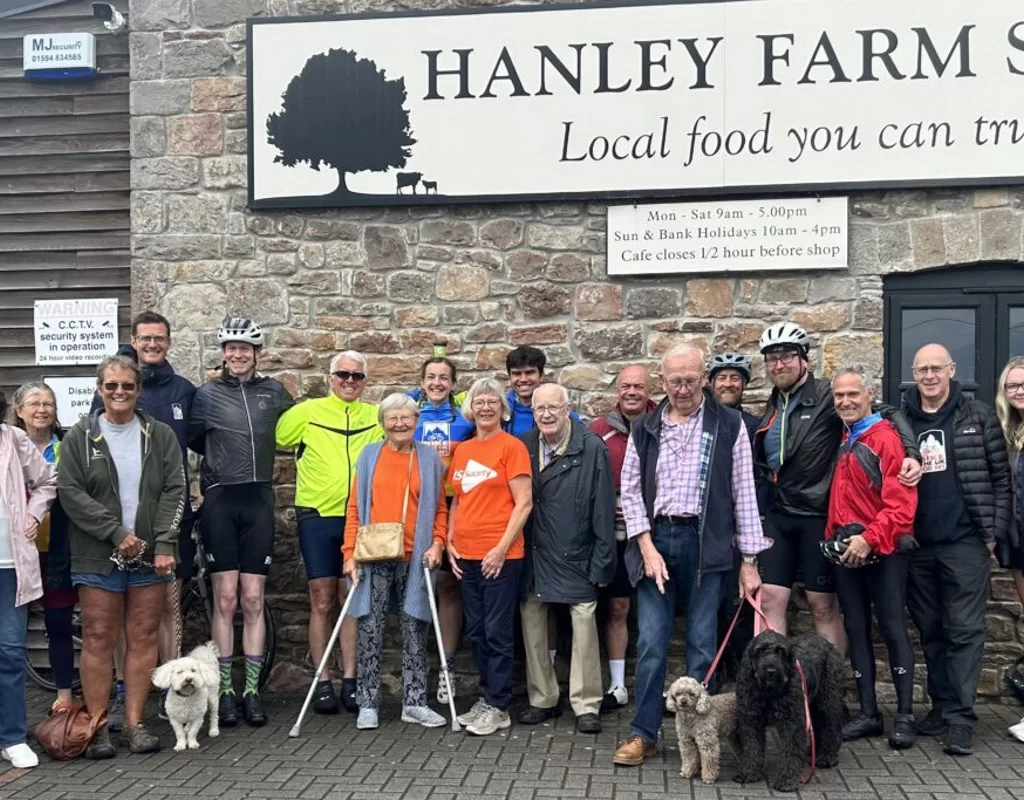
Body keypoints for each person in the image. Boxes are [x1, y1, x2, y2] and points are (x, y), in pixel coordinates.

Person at [612, 344, 771, 767]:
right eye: (674, 381)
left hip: (708, 545)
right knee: (651, 643)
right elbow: (630, 491)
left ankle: (703, 738)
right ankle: (643, 733)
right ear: (662, 381)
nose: (682, 389)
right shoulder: (646, 427)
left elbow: (744, 492)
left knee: (703, 644)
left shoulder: (729, 424)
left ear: (703, 379)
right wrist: (645, 547)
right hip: (656, 541)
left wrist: (750, 561)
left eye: (689, 380)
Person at [753, 322, 921, 646]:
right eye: (772, 358)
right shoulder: (774, 404)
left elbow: (887, 412)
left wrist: (912, 453)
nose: (779, 364)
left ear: (804, 360)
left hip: (816, 515)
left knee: (822, 605)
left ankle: (831, 678)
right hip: (778, 515)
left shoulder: (827, 396)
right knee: (770, 599)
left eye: (787, 356)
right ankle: (770, 677)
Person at [59, 354, 184, 758]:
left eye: (128, 385)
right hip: (97, 554)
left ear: (138, 390)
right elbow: (70, 492)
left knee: (144, 636)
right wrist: (114, 533)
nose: (119, 392)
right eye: (111, 385)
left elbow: (175, 488)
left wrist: (164, 543)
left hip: (149, 556)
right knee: (99, 637)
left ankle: (134, 724)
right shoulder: (80, 436)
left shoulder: (160, 434)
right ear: (99, 389)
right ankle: (98, 727)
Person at [902, 343, 1011, 756]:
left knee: (965, 631)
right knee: (931, 630)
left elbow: (1001, 480)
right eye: (922, 370)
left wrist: (992, 532)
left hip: (965, 543)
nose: (929, 376)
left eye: (936, 368)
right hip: (918, 545)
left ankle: (962, 719)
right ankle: (941, 707)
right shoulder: (903, 419)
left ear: (951, 370)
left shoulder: (977, 416)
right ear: (914, 374)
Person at [189, 318, 294, 728]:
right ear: (223, 354)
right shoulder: (206, 395)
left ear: (257, 353)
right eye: (230, 348)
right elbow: (193, 438)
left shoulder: (275, 392)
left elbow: (297, 430)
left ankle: (251, 690)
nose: (237, 355)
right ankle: (225, 692)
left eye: (244, 349)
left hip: (259, 500)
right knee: (225, 599)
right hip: (221, 500)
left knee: (252, 599)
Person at [92, 312, 198, 718]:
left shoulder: (184, 390)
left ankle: (175, 691)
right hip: (120, 521)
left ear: (169, 342)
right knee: (122, 610)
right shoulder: (116, 386)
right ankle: (124, 687)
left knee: (169, 606)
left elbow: (204, 441)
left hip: (170, 517)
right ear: (134, 341)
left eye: (159, 338)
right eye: (145, 338)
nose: (152, 344)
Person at [276, 350, 381, 715]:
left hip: (360, 518)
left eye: (357, 376)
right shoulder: (306, 412)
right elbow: (272, 436)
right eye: (343, 375)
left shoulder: (375, 416)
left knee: (350, 598)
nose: (350, 381)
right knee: (321, 599)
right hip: (317, 515)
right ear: (330, 378)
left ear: (365, 382)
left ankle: (350, 680)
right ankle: (322, 680)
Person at [824, 367, 918, 749]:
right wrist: (832, 538)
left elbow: (902, 507)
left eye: (853, 394)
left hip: (884, 550)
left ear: (869, 394)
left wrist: (869, 538)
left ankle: (906, 716)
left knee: (893, 628)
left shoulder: (885, 438)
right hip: (848, 552)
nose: (846, 401)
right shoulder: (846, 436)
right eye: (839, 396)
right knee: (857, 629)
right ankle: (868, 714)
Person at [342, 394, 449, 730]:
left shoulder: (430, 458)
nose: (400, 424)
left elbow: (440, 508)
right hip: (373, 553)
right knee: (370, 627)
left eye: (406, 417)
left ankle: (414, 702)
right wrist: (349, 553)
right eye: (393, 418)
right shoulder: (369, 455)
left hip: (416, 555)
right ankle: (367, 702)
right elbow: (354, 507)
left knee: (415, 626)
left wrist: (438, 543)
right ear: (383, 423)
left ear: (416, 421)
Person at [518, 383, 616, 734]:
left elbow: (603, 507)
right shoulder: (524, 444)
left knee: (584, 623)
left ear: (568, 409)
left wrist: (603, 560)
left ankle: (587, 703)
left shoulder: (591, 447)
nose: (546, 415)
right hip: (534, 552)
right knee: (532, 619)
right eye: (539, 409)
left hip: (577, 551)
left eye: (553, 408)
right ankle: (542, 698)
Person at [447, 378, 532, 737]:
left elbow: (524, 503)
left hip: (501, 557)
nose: (485, 408)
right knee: (477, 632)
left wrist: (500, 549)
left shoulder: (512, 447)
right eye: (479, 402)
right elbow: (458, 498)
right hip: (465, 554)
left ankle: (499, 706)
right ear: (470, 409)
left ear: (502, 409)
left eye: (492, 402)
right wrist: (450, 537)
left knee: (497, 632)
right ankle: (487, 698)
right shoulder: (463, 450)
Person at [407, 355, 475, 704]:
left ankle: (447, 669)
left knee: (448, 586)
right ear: (421, 382)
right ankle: (415, 669)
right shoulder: (410, 413)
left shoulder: (465, 418)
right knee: (417, 587)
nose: (436, 383)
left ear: (453, 384)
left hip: (455, 506)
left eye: (443, 378)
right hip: (417, 507)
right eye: (430, 377)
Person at [588, 365, 655, 713]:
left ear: (649, 390)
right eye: (626, 386)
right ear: (617, 391)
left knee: (656, 610)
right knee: (617, 607)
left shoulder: (664, 423)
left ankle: (657, 684)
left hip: (656, 532)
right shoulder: (598, 430)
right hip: (612, 533)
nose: (632, 392)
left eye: (638, 386)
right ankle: (617, 685)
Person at [9, 382, 76, 714]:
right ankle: (13, 704)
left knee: (59, 623)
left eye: (48, 403)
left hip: (57, 549)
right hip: (14, 552)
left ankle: (64, 697)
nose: (41, 409)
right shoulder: (8, 447)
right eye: (34, 403)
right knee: (12, 631)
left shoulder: (67, 445)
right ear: (19, 410)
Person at [0, 390, 57, 769]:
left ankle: (12, 737)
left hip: (9, 564)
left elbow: (48, 480)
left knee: (10, 651)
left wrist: (34, 513)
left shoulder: (14, 439)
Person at [995, 357, 1024, 742]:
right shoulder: (1009, 432)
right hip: (1019, 540)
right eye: (1012, 385)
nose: (1018, 391)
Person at [708, 352, 759, 441]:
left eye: (735, 378)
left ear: (744, 384)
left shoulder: (754, 427)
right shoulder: (700, 422)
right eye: (721, 378)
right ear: (713, 384)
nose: (728, 384)